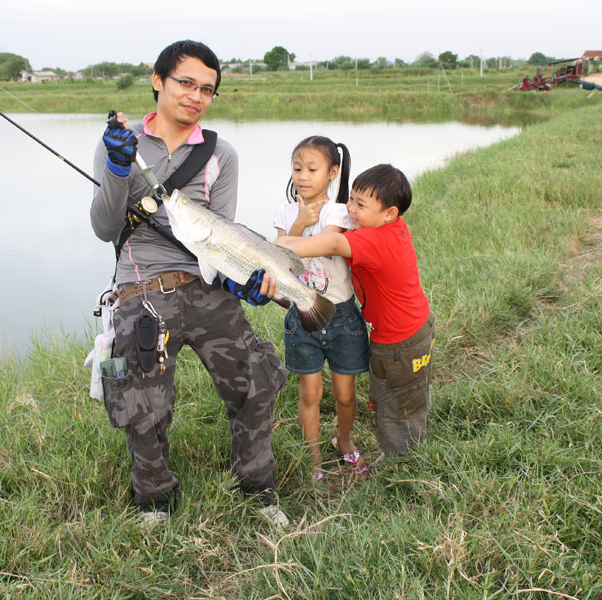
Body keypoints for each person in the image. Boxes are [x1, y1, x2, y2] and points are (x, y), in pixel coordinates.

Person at [90, 40, 288, 527]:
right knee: (143, 405)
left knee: (258, 380)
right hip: (142, 293)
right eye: (185, 83)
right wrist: (119, 170)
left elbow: (223, 236)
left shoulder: (222, 154)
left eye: (207, 89)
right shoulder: (121, 143)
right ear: (157, 81)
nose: (195, 96)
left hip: (206, 290)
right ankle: (155, 501)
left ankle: (257, 487)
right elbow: (103, 227)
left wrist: (244, 280)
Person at [275, 164, 434, 459]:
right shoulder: (390, 229)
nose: (350, 208)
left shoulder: (375, 240)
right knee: (410, 393)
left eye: (361, 204)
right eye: (351, 199)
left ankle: (401, 458)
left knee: (391, 399)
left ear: (390, 213)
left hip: (398, 340)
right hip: (415, 327)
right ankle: (410, 443)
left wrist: (283, 244)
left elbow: (334, 242)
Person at [272, 136, 370, 480]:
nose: (303, 176)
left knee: (345, 394)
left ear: (332, 172)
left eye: (312, 169)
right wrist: (298, 222)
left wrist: (290, 239)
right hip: (302, 314)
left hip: (341, 315)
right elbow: (276, 262)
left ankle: (343, 440)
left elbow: (317, 244)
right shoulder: (285, 213)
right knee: (310, 392)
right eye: (297, 169)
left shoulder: (339, 211)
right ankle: (313, 457)